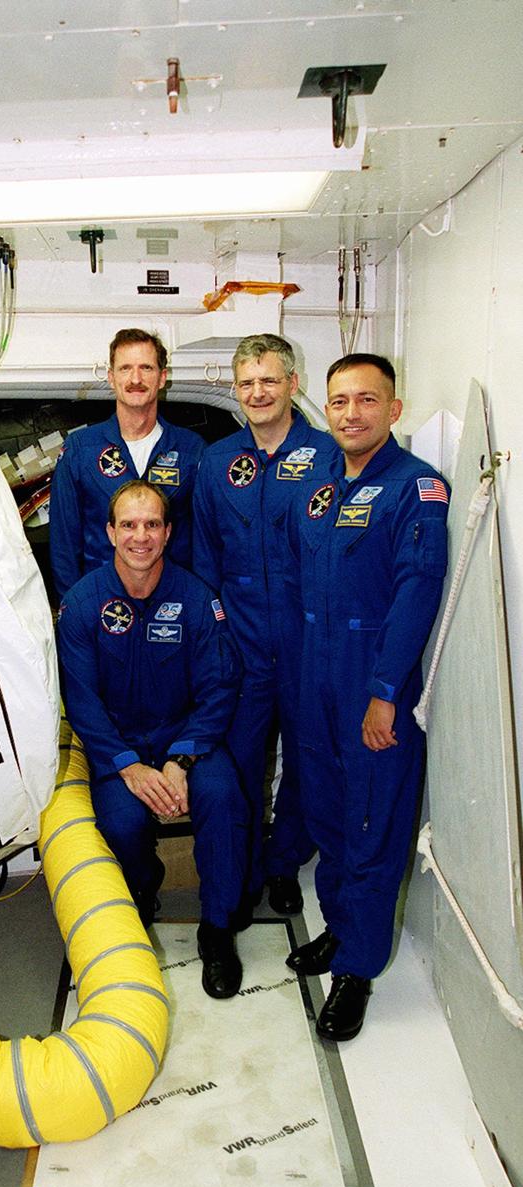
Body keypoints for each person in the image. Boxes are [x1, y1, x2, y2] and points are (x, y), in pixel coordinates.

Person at [283, 354, 449, 1040]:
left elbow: (416, 593)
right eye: (339, 401)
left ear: (393, 409)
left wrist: (383, 694)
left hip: (370, 673)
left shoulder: (417, 488)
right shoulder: (318, 486)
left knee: (371, 824)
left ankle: (355, 969)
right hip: (312, 670)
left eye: (365, 401)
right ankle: (337, 927)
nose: (350, 414)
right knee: (324, 813)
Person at [56, 479, 249, 999]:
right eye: (129, 525)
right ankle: (140, 898)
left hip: (187, 737)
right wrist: (128, 764)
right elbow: (82, 700)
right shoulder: (80, 605)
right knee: (120, 821)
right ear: (109, 532)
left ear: (167, 532)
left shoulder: (195, 599)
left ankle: (218, 929)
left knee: (224, 796)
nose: (140, 536)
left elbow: (218, 687)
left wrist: (180, 761)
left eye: (151, 524)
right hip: (117, 746)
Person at [193, 334, 339, 920]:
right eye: (248, 383)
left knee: (308, 763)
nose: (258, 392)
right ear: (236, 390)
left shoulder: (328, 455)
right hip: (242, 648)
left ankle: (284, 865)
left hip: (308, 649)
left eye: (269, 380)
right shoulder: (217, 461)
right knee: (241, 767)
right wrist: (216, 640)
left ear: (293, 384)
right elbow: (204, 560)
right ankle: (248, 870)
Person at [49, 328, 204, 599]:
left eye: (146, 367)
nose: (136, 379)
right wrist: (74, 609)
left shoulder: (192, 450)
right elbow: (63, 543)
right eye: (125, 368)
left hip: (172, 603)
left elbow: (206, 541)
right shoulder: (80, 450)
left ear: (162, 377)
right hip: (100, 602)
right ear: (111, 377)